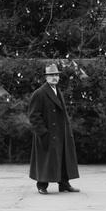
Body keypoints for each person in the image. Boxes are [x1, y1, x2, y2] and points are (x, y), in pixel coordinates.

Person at [28, 62, 80, 194]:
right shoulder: (39, 93)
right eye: (51, 75)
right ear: (46, 77)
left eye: (56, 75)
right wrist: (43, 133)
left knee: (62, 158)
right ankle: (42, 185)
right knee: (45, 159)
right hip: (47, 133)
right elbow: (34, 116)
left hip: (60, 132)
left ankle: (63, 184)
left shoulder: (58, 92)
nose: (54, 78)